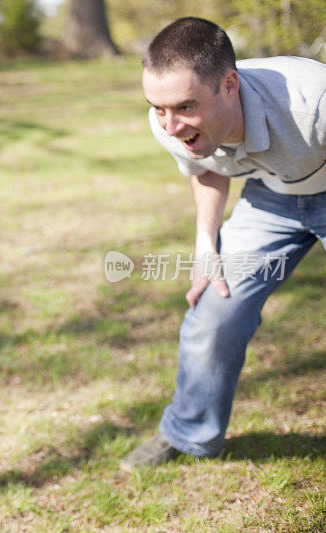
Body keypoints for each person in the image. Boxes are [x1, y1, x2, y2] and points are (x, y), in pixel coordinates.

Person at [121, 17, 326, 471]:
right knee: (214, 312)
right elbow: (207, 168)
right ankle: (189, 435)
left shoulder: (314, 100)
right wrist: (205, 246)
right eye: (157, 107)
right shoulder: (168, 123)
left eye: (184, 107)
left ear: (229, 84)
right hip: (272, 196)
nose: (170, 125)